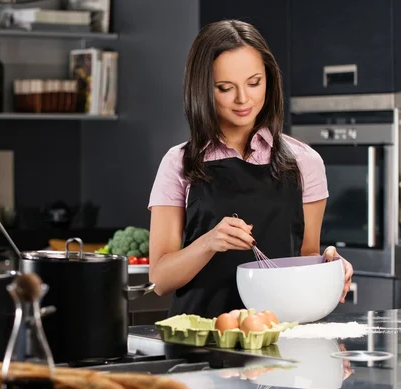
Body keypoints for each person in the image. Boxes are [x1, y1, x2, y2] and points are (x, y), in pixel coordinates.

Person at [147, 20, 354, 318]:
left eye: (254, 83)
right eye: (225, 88)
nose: (243, 99)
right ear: (202, 89)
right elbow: (159, 280)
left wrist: (329, 267)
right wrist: (209, 242)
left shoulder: (304, 161)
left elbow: (305, 256)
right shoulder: (178, 163)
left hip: (280, 338)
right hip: (200, 339)